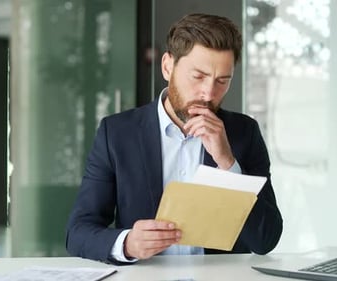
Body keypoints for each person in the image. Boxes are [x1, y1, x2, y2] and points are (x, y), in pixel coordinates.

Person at [66, 13, 283, 264]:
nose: (209, 93)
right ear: (168, 66)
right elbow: (78, 232)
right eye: (198, 76)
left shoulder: (245, 133)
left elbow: (266, 240)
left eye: (222, 81)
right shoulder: (116, 133)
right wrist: (127, 244)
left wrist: (228, 165)